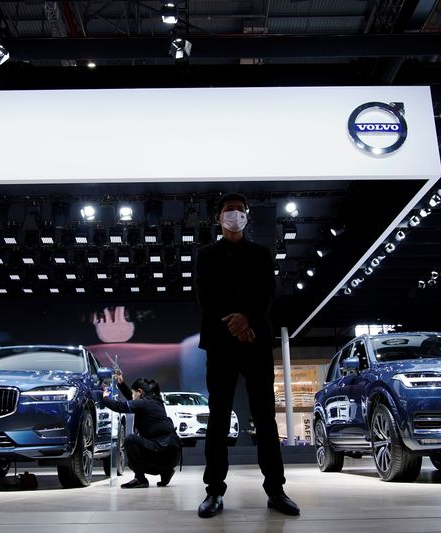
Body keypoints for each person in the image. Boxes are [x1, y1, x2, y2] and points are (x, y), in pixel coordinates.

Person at [194, 192, 300, 518]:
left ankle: (276, 490)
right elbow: (205, 296)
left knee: (265, 416)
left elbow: (267, 292)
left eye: (240, 210)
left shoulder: (261, 253)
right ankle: (213, 491)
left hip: (256, 340)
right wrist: (236, 323)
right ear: (218, 217)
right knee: (219, 417)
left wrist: (247, 319)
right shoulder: (206, 254)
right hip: (221, 341)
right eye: (229, 210)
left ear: (247, 216)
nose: (235, 214)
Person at [101, 374, 181, 488]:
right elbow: (133, 400)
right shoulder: (156, 402)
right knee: (144, 444)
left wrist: (105, 398)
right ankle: (166, 472)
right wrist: (121, 384)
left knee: (130, 441)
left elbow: (120, 406)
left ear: (140, 391)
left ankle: (140, 479)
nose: (132, 396)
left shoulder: (143, 403)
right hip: (172, 456)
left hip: (161, 453)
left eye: (134, 393)